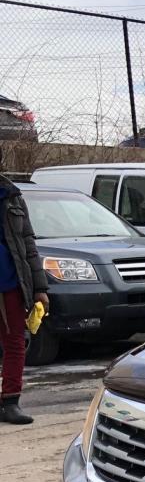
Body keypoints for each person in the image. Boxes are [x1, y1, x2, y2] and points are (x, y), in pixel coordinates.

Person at [0, 173, 49, 425]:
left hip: (10, 283)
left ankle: (10, 402)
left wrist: (40, 288)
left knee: (15, 343)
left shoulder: (13, 196)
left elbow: (28, 244)